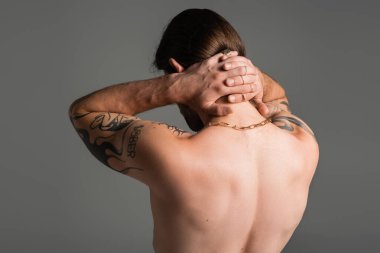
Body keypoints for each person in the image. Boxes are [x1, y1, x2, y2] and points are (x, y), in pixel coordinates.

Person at [68, 8, 319, 253]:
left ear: (177, 72)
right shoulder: (301, 143)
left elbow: (84, 112)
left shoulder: (172, 153)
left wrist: (172, 88)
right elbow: (277, 96)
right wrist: (249, 74)